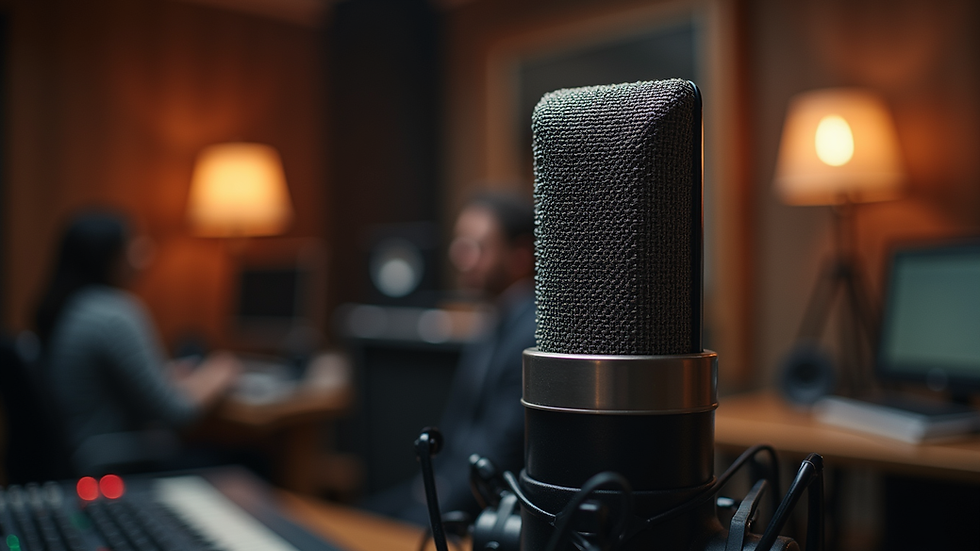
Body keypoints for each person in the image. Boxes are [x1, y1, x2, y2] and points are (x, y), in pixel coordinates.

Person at [364, 191, 536, 525]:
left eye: (476, 246)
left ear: (520, 256)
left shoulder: (528, 335)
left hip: (469, 510)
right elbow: (459, 429)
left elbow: (499, 458)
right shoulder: (497, 319)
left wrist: (426, 511)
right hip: (443, 490)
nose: (459, 257)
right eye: (460, 243)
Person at [35, 210, 240, 473]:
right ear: (111, 255)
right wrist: (219, 373)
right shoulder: (113, 314)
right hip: (115, 464)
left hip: (83, 455)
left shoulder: (71, 308)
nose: (145, 251)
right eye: (136, 243)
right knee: (251, 460)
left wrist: (164, 376)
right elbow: (176, 414)